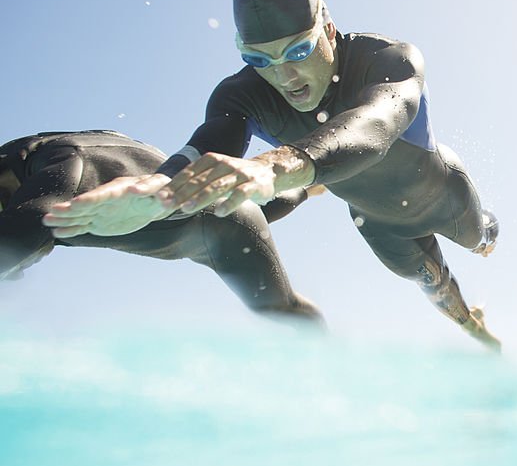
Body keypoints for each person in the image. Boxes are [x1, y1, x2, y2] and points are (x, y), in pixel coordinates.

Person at [43, 0, 501, 351]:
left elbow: (375, 126)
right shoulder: (242, 94)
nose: (285, 75)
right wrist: (157, 186)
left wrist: (272, 168)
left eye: (299, 50)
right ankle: (479, 332)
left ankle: (486, 232)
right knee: (437, 290)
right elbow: (209, 142)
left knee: (482, 241)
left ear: (328, 28)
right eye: (259, 59)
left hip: (443, 194)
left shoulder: (387, 59)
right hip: (377, 222)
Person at [3, 130, 322, 325]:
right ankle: (315, 184)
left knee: (281, 310)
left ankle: (325, 359)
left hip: (222, 225)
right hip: (206, 198)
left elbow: (28, 228)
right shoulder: (48, 150)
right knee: (267, 200)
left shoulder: (59, 162)